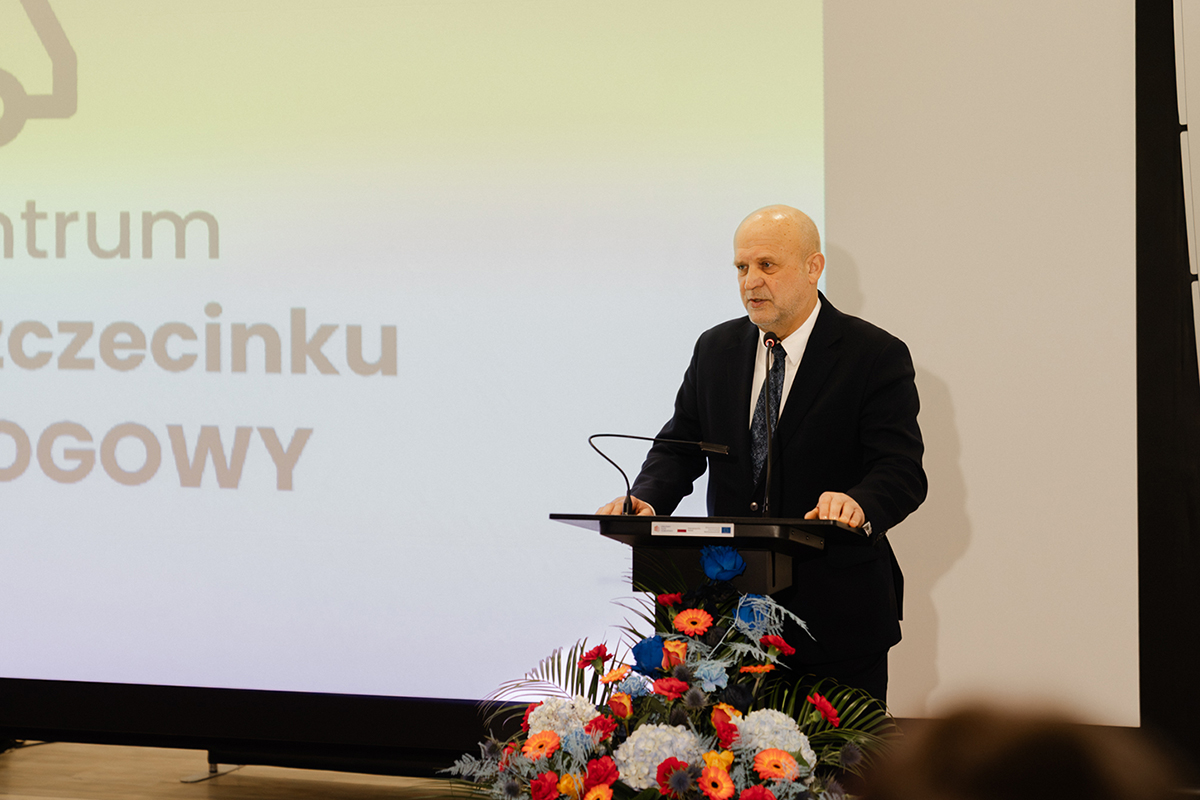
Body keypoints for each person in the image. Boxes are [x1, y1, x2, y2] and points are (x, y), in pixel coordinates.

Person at [596, 205, 926, 702]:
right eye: (741, 267)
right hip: (725, 616)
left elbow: (900, 470)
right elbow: (681, 444)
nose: (751, 281)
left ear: (813, 267)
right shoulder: (717, 348)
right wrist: (646, 499)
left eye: (767, 265)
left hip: (835, 620)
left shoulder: (872, 354)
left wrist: (859, 502)